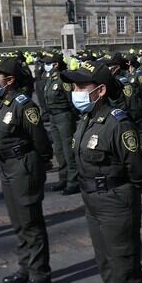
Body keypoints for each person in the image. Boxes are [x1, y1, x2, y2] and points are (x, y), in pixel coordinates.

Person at [63, 60, 142, 283]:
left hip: (115, 199)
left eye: (80, 86)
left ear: (100, 90)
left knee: (125, 266)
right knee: (106, 263)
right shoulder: (86, 119)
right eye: (73, 86)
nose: (74, 91)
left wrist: (125, 193)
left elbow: (136, 169)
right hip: (92, 200)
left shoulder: (118, 122)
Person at [0, 57, 55, 283]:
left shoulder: (24, 105)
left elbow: (40, 140)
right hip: (7, 166)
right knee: (17, 221)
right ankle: (25, 267)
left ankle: (40, 275)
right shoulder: (0, 102)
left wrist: (43, 161)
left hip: (23, 165)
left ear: (10, 79)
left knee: (30, 222)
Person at [43, 53, 80, 195]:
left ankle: (74, 181)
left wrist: (72, 116)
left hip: (64, 116)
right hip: (54, 117)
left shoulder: (63, 79)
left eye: (48, 62)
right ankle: (63, 177)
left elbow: (70, 100)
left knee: (68, 149)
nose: (45, 65)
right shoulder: (50, 78)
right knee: (58, 150)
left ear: (56, 64)